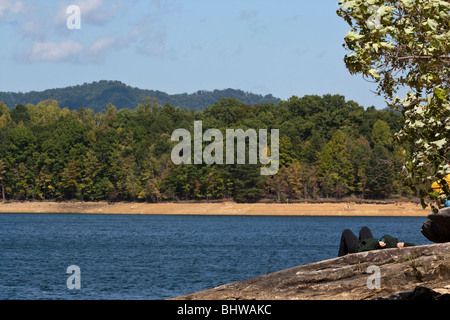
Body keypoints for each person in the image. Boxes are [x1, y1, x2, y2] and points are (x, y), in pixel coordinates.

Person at [337, 226, 414, 257]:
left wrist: (377, 244)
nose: (399, 243)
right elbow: (413, 246)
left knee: (346, 232)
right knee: (364, 229)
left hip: (362, 248)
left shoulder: (381, 245)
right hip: (370, 243)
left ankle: (340, 259)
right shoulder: (394, 244)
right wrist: (404, 244)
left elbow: (362, 250)